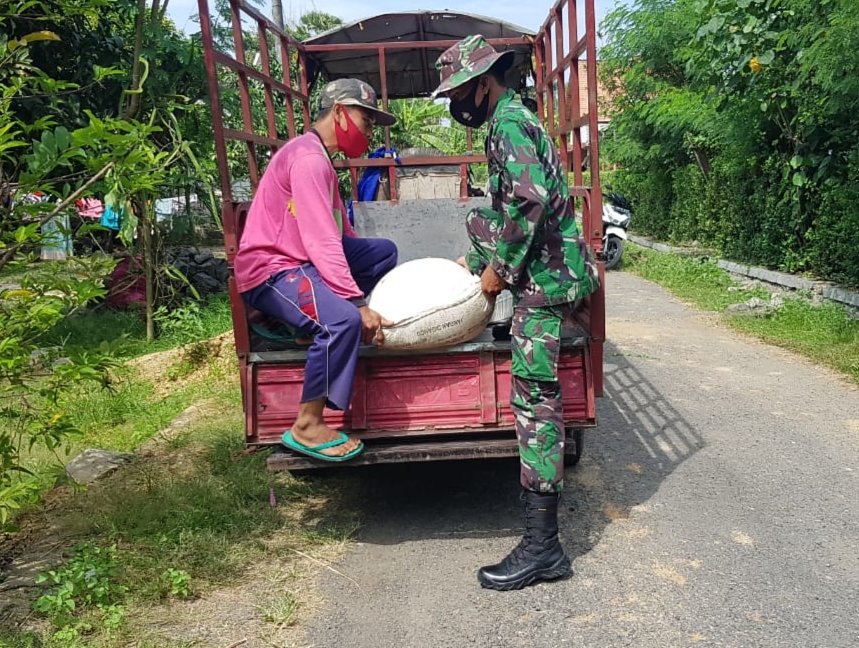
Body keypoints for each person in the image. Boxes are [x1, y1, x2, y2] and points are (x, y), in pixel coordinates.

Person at [432, 35, 601, 590]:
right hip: (551, 272)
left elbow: (529, 204)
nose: (458, 103)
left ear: (485, 82)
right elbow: (510, 206)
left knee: (535, 405)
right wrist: (481, 251)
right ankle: (542, 542)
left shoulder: (506, 124)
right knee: (479, 219)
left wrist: (498, 271)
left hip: (546, 283)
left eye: (460, 90)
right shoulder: (513, 118)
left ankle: (544, 548)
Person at [234, 79, 399, 463]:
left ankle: (309, 323)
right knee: (341, 322)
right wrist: (355, 304)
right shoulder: (308, 159)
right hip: (273, 269)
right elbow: (322, 239)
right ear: (340, 111)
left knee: (381, 253)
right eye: (366, 119)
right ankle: (307, 424)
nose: (370, 131)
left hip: (301, 262)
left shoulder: (322, 158)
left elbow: (341, 232)